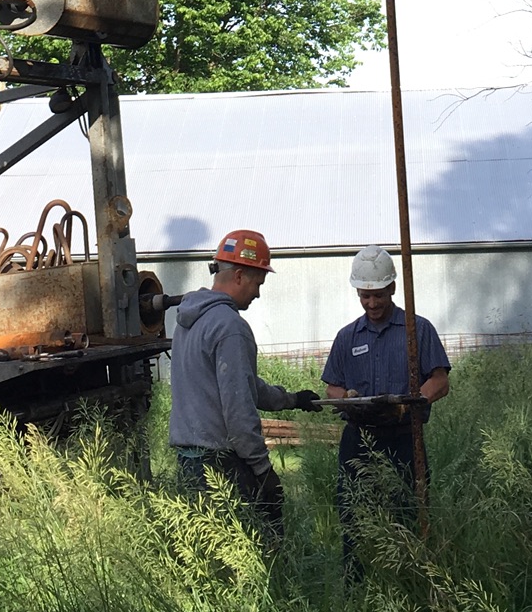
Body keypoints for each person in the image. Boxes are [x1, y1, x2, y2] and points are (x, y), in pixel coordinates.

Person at [168, 227, 320, 542]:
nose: (258, 293)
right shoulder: (230, 326)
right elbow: (238, 409)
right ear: (239, 276)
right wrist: (263, 470)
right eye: (257, 283)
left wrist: (291, 399)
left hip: (188, 461)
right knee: (259, 545)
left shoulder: (188, 322)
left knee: (205, 553)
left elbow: (242, 385)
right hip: (220, 465)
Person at [322, 245, 450, 572]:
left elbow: (439, 381)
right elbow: (331, 387)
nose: (372, 303)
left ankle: (409, 578)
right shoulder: (347, 337)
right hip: (359, 442)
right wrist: (347, 397)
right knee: (354, 515)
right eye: (365, 296)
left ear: (392, 288)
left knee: (408, 512)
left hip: (405, 438)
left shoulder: (417, 330)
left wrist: (411, 404)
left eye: (378, 295)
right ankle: (356, 583)